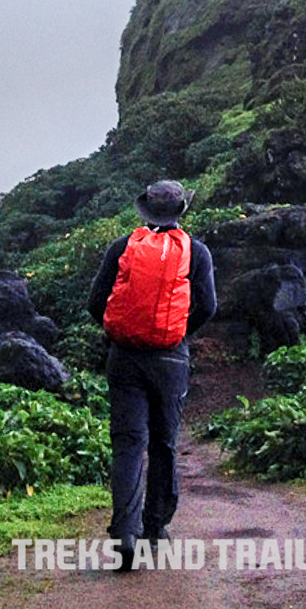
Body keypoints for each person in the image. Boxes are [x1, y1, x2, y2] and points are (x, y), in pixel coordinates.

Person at [87, 179, 216, 571]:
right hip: (171, 359)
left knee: (128, 445)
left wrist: (120, 332)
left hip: (124, 358)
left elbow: (96, 302)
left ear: (145, 210)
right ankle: (155, 528)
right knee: (163, 443)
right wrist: (176, 331)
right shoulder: (196, 252)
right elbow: (208, 306)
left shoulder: (122, 246)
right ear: (180, 211)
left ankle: (125, 534)